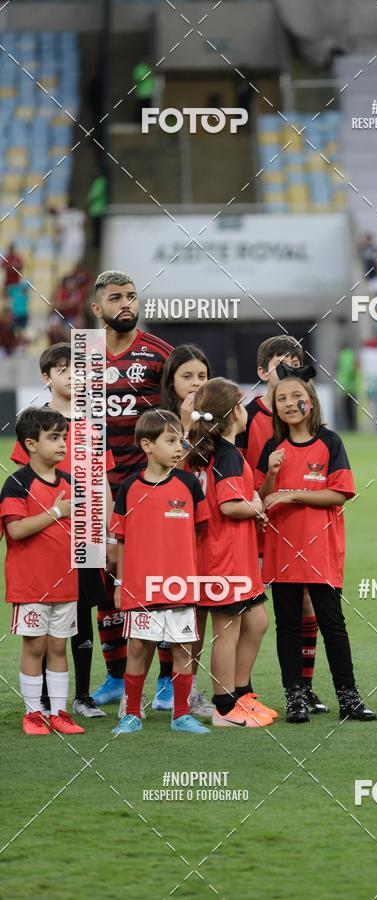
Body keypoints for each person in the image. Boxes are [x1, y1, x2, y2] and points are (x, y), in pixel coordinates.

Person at [256, 364, 376, 724]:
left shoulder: (330, 442)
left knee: (333, 625)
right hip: (281, 551)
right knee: (287, 627)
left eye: (297, 397)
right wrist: (272, 476)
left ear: (311, 401)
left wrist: (292, 495)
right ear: (275, 407)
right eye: (282, 399)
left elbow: (340, 493)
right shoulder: (272, 448)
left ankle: (349, 697)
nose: (290, 403)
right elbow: (261, 498)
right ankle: (295, 697)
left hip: (321, 550)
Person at [10, 342, 115, 718]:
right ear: (46, 377)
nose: (73, 375)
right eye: (63, 368)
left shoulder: (91, 425)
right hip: (45, 539)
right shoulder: (37, 423)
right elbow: (24, 478)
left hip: (85, 533)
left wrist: (108, 531)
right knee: (44, 625)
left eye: (79, 369)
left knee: (82, 611)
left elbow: (103, 481)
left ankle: (82, 696)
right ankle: (38, 703)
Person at [90, 270, 174, 710]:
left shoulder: (159, 354)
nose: (126, 303)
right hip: (96, 489)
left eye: (132, 296)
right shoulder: (83, 355)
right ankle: (115, 678)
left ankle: (163, 682)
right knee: (106, 587)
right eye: (116, 297)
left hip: (149, 489)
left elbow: (179, 420)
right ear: (97, 309)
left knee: (154, 586)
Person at [236, 335, 328, 713]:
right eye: (280, 363)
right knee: (246, 610)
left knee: (306, 605)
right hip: (250, 526)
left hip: (294, 525)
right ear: (262, 372)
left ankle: (303, 688)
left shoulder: (309, 418)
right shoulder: (245, 416)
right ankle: (243, 690)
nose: (289, 369)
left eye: (295, 362)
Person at [111, 410, 210, 735]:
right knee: (139, 647)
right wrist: (122, 582)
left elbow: (200, 533)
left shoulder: (189, 484)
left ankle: (181, 715)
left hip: (180, 586)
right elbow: (121, 541)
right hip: (141, 587)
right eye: (171, 440)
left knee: (182, 649)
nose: (180, 446)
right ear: (147, 445)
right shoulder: (128, 489)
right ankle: (133, 714)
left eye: (181, 439)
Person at [187, 378, 275, 727]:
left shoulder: (210, 451)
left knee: (257, 621)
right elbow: (228, 506)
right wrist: (255, 506)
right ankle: (225, 707)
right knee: (227, 629)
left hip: (229, 554)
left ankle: (242, 693)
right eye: (242, 404)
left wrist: (252, 505)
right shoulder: (227, 454)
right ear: (234, 413)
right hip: (224, 557)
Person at [0, 407, 85, 735]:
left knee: (58, 647)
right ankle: (33, 714)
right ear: (31, 444)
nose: (62, 443)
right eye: (53, 438)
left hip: (65, 582)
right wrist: (55, 511)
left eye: (64, 437)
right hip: (31, 584)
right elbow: (16, 530)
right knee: (35, 646)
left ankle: (60, 712)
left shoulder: (72, 482)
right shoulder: (17, 483)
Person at [161, 344, 214, 719]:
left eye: (201, 376)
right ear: (171, 380)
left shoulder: (218, 421)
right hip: (172, 533)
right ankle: (167, 690)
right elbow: (171, 475)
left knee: (202, 617)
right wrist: (183, 423)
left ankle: (191, 690)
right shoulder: (160, 421)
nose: (196, 383)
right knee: (176, 619)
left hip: (209, 534)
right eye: (187, 376)